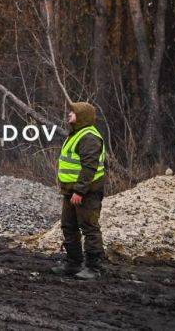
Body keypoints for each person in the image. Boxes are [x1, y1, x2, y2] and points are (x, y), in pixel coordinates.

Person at [52, 101, 106, 279]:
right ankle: (73, 263)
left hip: (86, 192)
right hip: (71, 190)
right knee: (69, 226)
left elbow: (89, 167)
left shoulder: (89, 137)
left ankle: (93, 267)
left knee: (89, 228)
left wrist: (80, 191)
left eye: (73, 113)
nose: (69, 115)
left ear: (81, 116)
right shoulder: (76, 134)